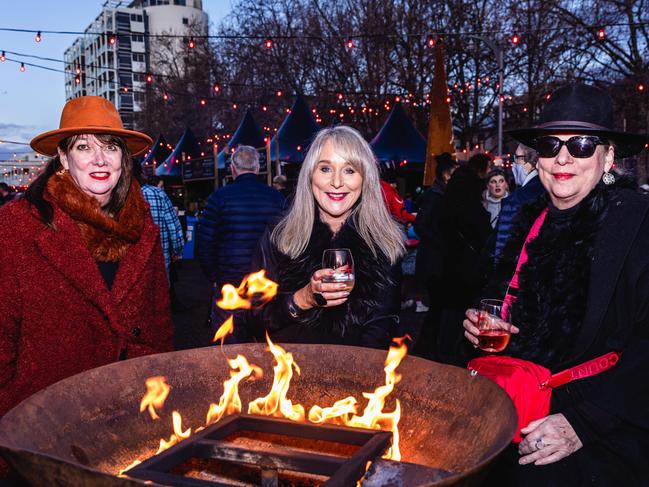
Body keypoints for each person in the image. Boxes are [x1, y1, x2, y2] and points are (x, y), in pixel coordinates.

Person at [463, 83, 649, 485]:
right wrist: (482, 321)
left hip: (603, 436)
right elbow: (499, 296)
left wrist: (583, 423)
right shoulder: (531, 219)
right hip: (518, 415)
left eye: (581, 144)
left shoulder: (638, 223)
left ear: (609, 156)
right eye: (550, 144)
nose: (563, 157)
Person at [0, 96, 173, 417]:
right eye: (83, 147)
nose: (99, 160)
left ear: (123, 158)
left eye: (110, 147)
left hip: (130, 408)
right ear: (64, 158)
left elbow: (158, 324)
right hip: (45, 419)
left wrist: (156, 391)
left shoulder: (142, 224)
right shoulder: (17, 226)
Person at [250, 125, 405, 348]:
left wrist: (353, 376)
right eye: (325, 169)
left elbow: (382, 327)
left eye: (350, 170)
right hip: (289, 373)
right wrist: (303, 298)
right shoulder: (279, 235)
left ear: (365, 180)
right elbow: (254, 319)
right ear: (310, 175)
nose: (336, 182)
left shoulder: (385, 241)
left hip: (357, 376)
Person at [196, 145, 285, 334]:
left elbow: (204, 244)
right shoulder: (277, 198)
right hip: (266, 286)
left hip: (230, 285)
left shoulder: (218, 198)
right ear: (258, 168)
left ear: (233, 169)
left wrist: (215, 278)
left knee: (229, 348)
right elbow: (287, 243)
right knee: (266, 348)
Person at [436, 154, 492, 364]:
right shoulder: (470, 188)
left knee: (449, 309)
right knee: (461, 309)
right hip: (466, 263)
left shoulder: (455, 188)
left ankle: (444, 351)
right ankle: (454, 354)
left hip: (450, 259)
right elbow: (480, 228)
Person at [412, 153, 458, 358]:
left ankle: (428, 348)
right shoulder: (434, 196)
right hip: (433, 261)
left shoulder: (444, 195)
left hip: (439, 260)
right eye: (452, 175)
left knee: (437, 308)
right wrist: (440, 240)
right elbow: (420, 225)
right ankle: (425, 349)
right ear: (444, 176)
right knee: (435, 308)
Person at [493, 144, 545, 264]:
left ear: (529, 163)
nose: (513, 165)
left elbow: (503, 249)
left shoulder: (518, 198)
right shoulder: (548, 190)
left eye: (516, 158)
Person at [140, 175, 185, 278]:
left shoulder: (120, 195)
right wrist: (177, 250)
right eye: (161, 186)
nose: (163, 188)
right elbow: (174, 228)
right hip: (161, 260)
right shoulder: (159, 194)